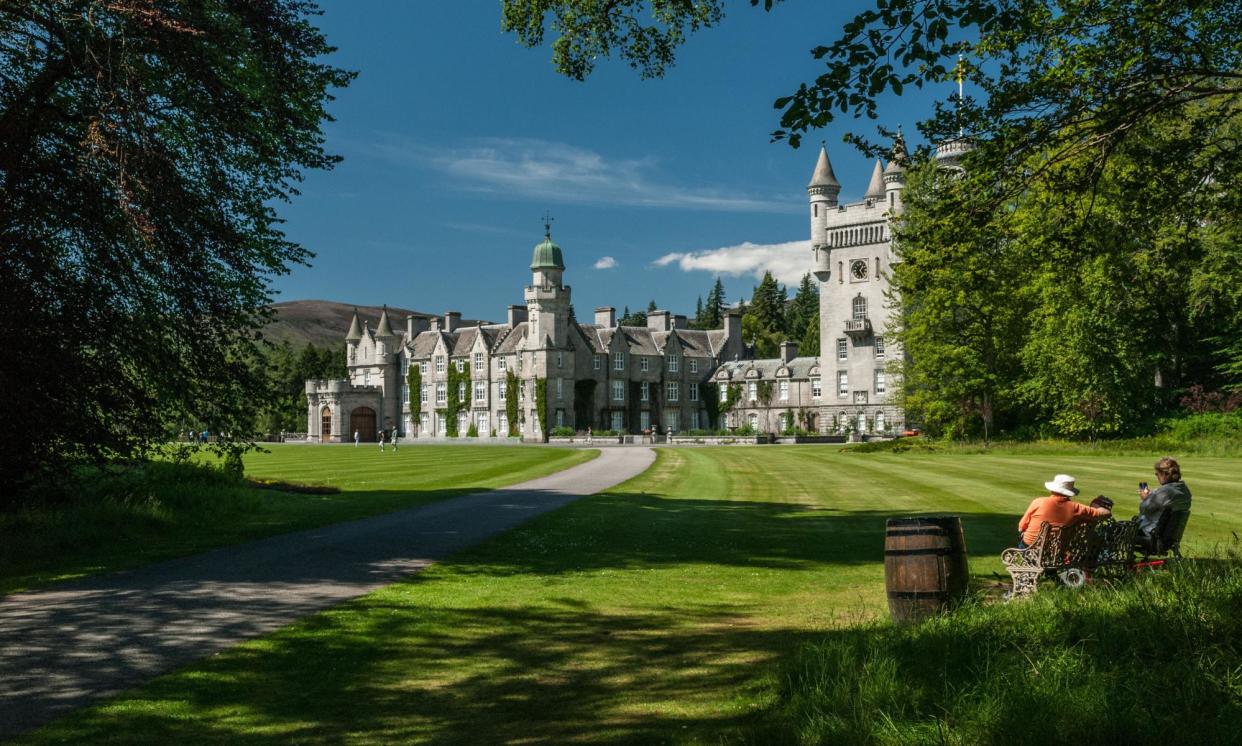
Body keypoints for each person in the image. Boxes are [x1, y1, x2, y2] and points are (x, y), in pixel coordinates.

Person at [1017, 474, 1112, 548]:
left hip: (1030, 547)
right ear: (1070, 493)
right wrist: (1095, 506)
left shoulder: (1038, 502)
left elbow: (1021, 527)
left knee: (1023, 538)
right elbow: (1106, 513)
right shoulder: (1076, 508)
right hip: (1056, 550)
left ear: (1052, 489)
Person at [1136, 456, 1191, 545]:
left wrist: (1146, 498)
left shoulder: (1166, 492)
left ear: (1165, 474)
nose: (1157, 476)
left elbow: (1144, 509)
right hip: (1170, 535)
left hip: (1153, 534)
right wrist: (1152, 496)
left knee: (1114, 530)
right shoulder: (1184, 490)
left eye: (1157, 474)